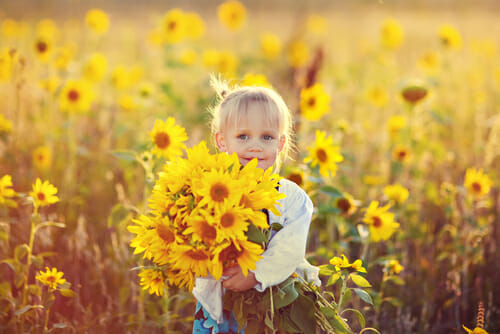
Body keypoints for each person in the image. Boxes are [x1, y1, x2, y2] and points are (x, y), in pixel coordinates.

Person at [192, 77, 320, 333]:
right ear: (221, 141)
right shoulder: (208, 192)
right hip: (221, 304)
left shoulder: (292, 198)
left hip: (274, 304)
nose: (255, 147)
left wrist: (255, 274)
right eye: (243, 136)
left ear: (281, 143)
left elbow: (289, 249)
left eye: (267, 137)